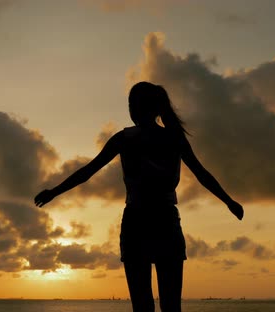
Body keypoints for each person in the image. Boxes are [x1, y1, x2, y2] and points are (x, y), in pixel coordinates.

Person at [34, 81, 243, 312]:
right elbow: (88, 171)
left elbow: (201, 173)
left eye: (134, 104)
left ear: (150, 108)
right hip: (155, 222)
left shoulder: (144, 139)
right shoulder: (157, 138)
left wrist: (228, 201)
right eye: (129, 104)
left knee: (152, 306)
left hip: (146, 221)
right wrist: (228, 201)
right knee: (164, 306)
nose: (131, 110)